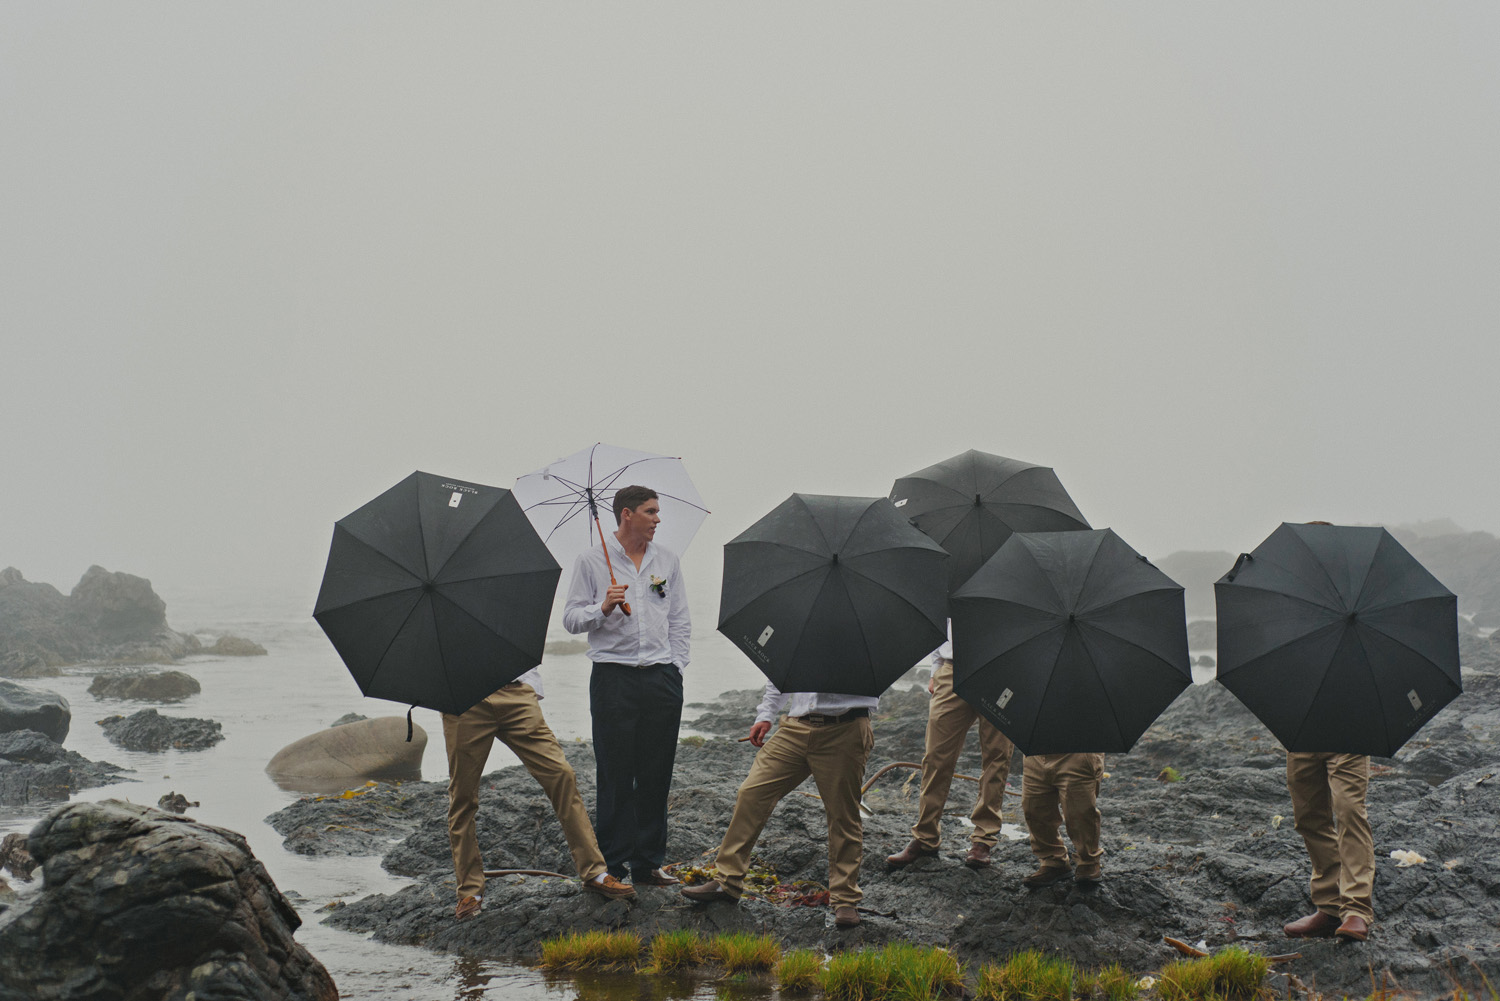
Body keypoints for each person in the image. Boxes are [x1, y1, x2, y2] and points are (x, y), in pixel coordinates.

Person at [563, 485, 690, 887]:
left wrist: (676, 669)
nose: (657, 519)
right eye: (650, 512)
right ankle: (613, 866)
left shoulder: (665, 560)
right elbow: (569, 619)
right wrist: (601, 608)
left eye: (658, 512)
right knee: (615, 773)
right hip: (612, 677)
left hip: (660, 677)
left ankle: (648, 863)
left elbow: (679, 619)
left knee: (656, 772)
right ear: (626, 515)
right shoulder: (591, 560)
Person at [680, 681, 876, 929]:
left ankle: (845, 900)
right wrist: (766, 715)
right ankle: (727, 882)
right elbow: (781, 677)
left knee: (842, 815)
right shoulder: (804, 641)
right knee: (751, 793)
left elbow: (876, 682)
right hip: (795, 728)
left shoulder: (862, 646)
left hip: (845, 729)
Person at [442, 669, 635, 920]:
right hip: (464, 702)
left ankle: (594, 873)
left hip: (516, 694)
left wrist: (529, 687)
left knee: (561, 774)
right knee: (462, 797)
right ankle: (469, 892)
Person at [887, 622, 1016, 870]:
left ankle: (983, 840)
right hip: (953, 670)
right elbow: (941, 620)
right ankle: (925, 836)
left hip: (1002, 672)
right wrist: (936, 669)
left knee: (997, 757)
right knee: (936, 756)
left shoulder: (1019, 583)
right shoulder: (953, 582)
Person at [1281, 752, 1374, 941]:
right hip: (1304, 740)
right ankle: (1330, 907)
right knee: (1307, 816)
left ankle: (1356, 910)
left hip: (1350, 740)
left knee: (1350, 813)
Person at [1019, 752, 1105, 886]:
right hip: (1037, 753)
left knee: (1079, 811)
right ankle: (1052, 860)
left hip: (1078, 751)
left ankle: (1088, 861)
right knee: (1034, 807)